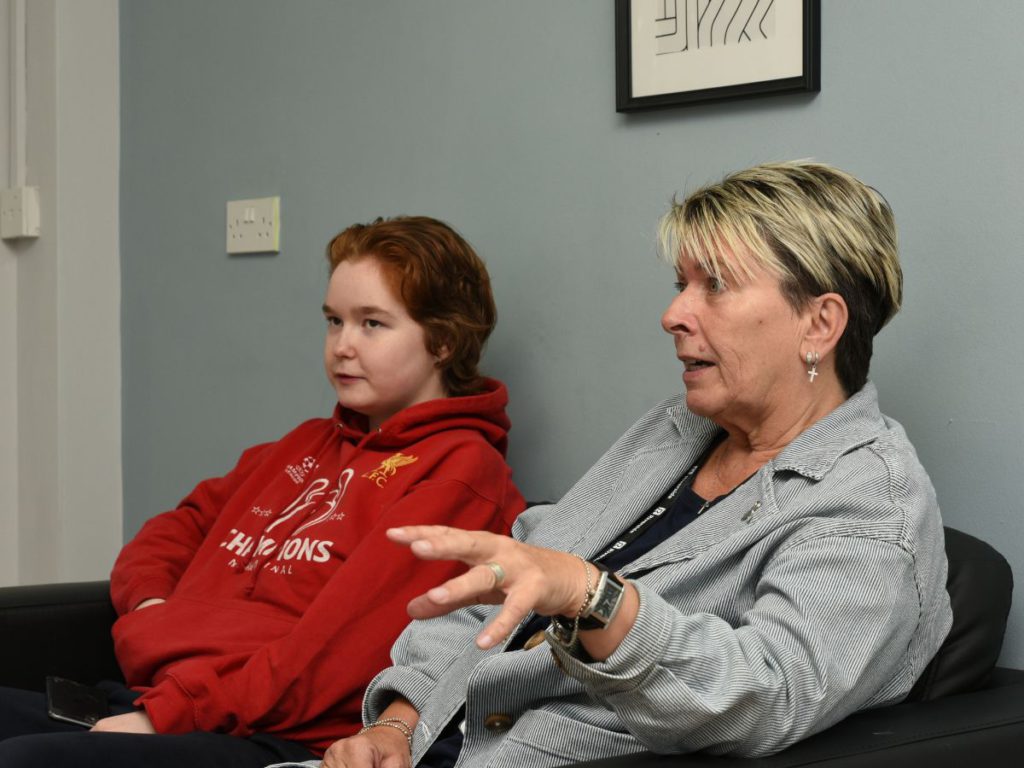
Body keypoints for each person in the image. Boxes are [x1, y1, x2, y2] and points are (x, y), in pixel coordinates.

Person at [291, 162, 953, 768]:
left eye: (714, 286)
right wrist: (397, 726)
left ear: (820, 324)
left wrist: (594, 596)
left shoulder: (871, 503)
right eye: (680, 284)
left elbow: (765, 696)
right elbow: (509, 577)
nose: (672, 315)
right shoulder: (678, 428)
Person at [0, 216, 525, 767]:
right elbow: (168, 535)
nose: (342, 345)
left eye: (372, 324)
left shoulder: (460, 472)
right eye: (333, 321)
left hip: (271, 733)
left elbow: (336, 657)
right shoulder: (302, 444)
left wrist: (168, 715)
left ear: (442, 340)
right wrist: (154, 610)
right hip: (166, 696)